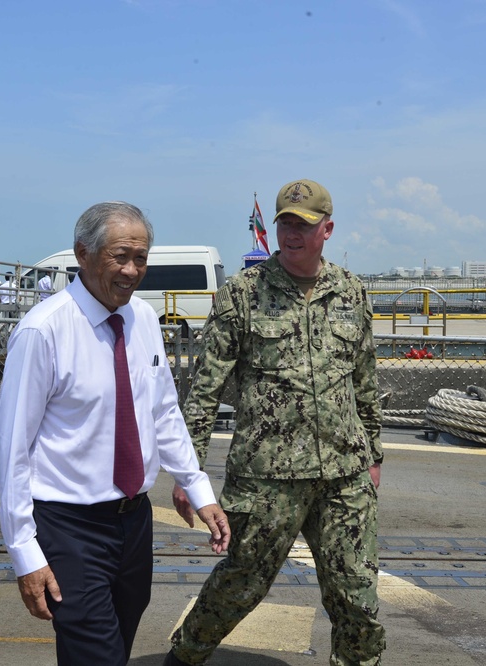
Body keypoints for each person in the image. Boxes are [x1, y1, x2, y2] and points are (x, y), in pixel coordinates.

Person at [0, 201, 230, 665]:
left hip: (133, 521)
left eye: (140, 258)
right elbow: (13, 450)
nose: (131, 270)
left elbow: (163, 411)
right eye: (119, 256)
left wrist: (196, 486)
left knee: (116, 645)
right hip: (69, 526)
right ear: (83, 254)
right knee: (97, 653)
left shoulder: (142, 319)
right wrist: (25, 552)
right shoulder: (44, 331)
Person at [165, 179, 386, 666]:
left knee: (357, 598)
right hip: (267, 477)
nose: (292, 233)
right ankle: (184, 657)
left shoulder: (352, 292)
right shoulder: (242, 294)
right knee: (240, 585)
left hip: (344, 476)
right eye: (285, 222)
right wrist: (189, 471)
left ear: (326, 229)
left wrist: (373, 456)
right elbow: (205, 388)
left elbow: (365, 382)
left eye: (303, 225)